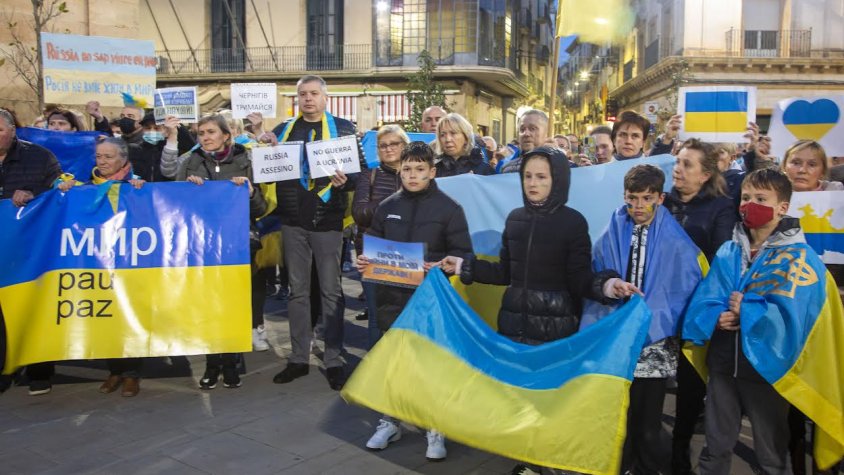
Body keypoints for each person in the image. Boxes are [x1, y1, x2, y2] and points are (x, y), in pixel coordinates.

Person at [581, 165, 704, 474]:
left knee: (648, 422)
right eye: (632, 198)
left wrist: (652, 321)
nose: (638, 206)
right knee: (619, 417)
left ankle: (647, 468)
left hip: (654, 344)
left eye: (646, 198)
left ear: (660, 198)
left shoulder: (676, 240)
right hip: (619, 339)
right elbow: (597, 269)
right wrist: (612, 286)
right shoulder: (613, 227)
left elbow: (681, 287)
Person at [688, 169, 811, 474]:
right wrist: (717, 317)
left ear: (782, 207)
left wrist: (748, 311)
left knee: (771, 454)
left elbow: (796, 315)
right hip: (723, 365)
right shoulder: (728, 250)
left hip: (765, 369)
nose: (749, 204)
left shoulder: (798, 258)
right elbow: (707, 296)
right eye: (745, 197)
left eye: (761, 198)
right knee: (715, 448)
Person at [358, 141, 472, 461]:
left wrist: (444, 264)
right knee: (395, 362)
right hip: (391, 297)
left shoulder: (450, 209)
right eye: (407, 169)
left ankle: (434, 425)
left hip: (430, 299)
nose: (412, 175)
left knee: (430, 364)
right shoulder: (386, 207)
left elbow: (463, 254)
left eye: (420, 169)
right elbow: (373, 248)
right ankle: (390, 420)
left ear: (432, 172)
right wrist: (365, 261)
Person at [270, 75, 365, 391]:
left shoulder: (345, 129)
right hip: (292, 220)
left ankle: (334, 359)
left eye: (313, 93)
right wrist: (264, 146)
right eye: (302, 94)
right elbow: (267, 168)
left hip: (328, 220)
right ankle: (298, 357)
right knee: (297, 292)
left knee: (331, 291)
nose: (308, 99)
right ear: (297, 98)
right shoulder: (283, 131)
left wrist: (346, 182)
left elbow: (360, 174)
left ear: (325, 97)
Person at [172, 114, 267, 390]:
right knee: (208, 305)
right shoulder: (190, 162)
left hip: (237, 244)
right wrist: (187, 190)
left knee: (234, 305)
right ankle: (212, 363)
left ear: (226, 135)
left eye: (211, 132)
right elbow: (175, 204)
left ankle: (232, 361)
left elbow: (261, 209)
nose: (205, 137)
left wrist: (250, 193)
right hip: (202, 246)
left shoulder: (246, 160)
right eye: (201, 133)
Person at [664, 138, 737, 474]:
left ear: (706, 174)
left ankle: (679, 453)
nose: (678, 169)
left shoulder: (721, 207)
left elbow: (720, 258)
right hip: (659, 306)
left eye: (687, 164)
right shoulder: (662, 201)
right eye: (677, 162)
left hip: (695, 309)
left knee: (690, 387)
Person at [56, 137, 146, 396]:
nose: (102, 161)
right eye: (98, 156)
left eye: (108, 156)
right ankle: (114, 370)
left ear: (123, 159)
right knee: (105, 315)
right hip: (98, 262)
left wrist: (141, 190)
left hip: (130, 261)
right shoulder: (84, 186)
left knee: (128, 315)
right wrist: (63, 189)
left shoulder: (137, 184)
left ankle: (131, 373)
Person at [0, 108, 62, 395]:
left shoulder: (39, 157)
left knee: (35, 306)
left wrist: (32, 196)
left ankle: (40, 371)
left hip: (31, 246)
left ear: (13, 131)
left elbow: (61, 192)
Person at [352, 124, 409, 348]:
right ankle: (375, 365)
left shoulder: (416, 174)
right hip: (375, 253)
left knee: (406, 318)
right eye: (383, 145)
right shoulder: (369, 175)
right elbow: (359, 213)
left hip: (408, 253)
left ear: (405, 145)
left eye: (394, 143)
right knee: (377, 317)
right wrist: (395, 200)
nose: (388, 148)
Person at [121, 106, 194, 183]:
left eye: (157, 128)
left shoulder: (174, 151)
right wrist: (133, 180)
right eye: (148, 128)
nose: (151, 131)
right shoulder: (134, 150)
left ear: (166, 131)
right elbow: (127, 174)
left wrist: (174, 129)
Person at [433, 113, 494, 177]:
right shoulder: (433, 170)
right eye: (442, 135)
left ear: (466, 137)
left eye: (453, 133)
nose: (448, 139)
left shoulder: (484, 170)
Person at [611, 111, 675, 161]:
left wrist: (668, 137)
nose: (628, 141)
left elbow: (659, 157)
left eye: (635, 136)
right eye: (623, 135)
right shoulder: (605, 167)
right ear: (614, 139)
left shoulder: (650, 167)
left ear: (643, 142)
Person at [715, 142, 745, 207]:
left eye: (721, 152)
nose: (715, 156)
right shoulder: (703, 176)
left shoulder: (740, 179)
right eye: (713, 152)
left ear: (732, 158)